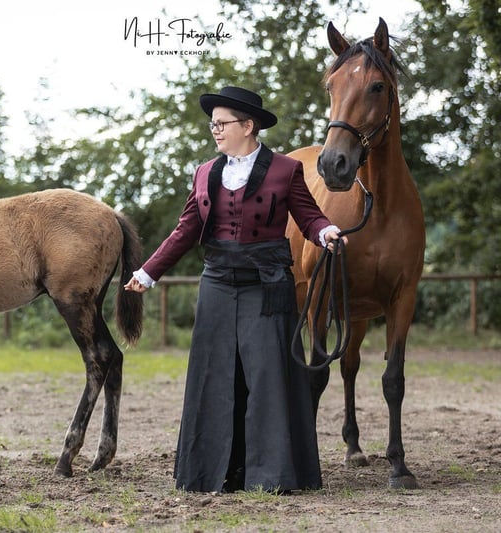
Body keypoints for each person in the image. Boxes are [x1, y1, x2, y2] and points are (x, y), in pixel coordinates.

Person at [124, 86, 347, 494]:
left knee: (268, 376)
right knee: (215, 376)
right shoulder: (205, 173)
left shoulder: (285, 170)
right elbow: (185, 230)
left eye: (222, 123)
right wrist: (149, 272)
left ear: (248, 126)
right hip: (218, 282)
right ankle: (212, 472)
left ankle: (272, 474)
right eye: (212, 124)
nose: (215, 129)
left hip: (267, 282)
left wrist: (326, 232)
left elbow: (309, 216)